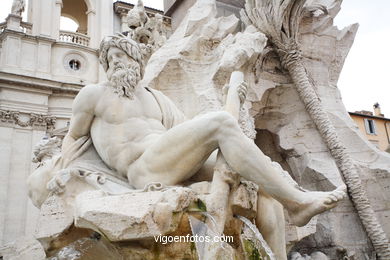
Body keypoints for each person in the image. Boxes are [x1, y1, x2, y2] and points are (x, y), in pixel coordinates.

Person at [62, 34, 345, 257]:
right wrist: (65, 177)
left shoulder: (158, 99)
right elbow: (74, 138)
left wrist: (230, 98)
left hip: (169, 161)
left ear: (137, 61)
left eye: (121, 55)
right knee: (220, 122)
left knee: (259, 183)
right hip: (142, 169)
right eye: (110, 60)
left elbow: (193, 134)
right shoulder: (93, 95)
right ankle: (297, 202)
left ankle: (283, 242)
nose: (116, 63)